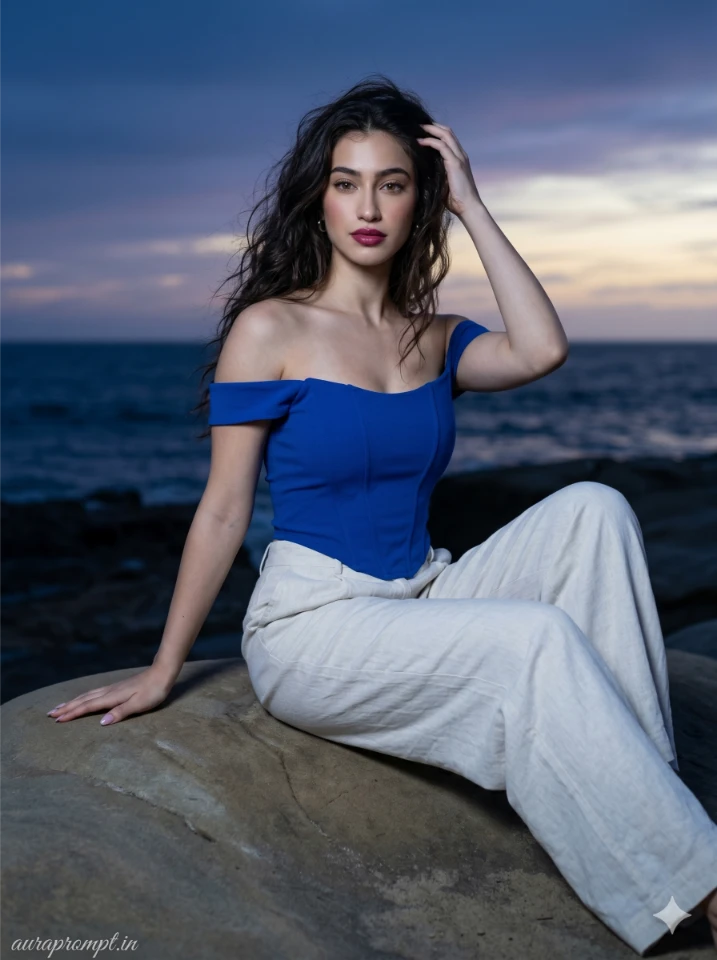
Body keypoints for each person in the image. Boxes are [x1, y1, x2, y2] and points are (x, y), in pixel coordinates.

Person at [46, 76, 717, 955]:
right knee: (533, 639)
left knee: (595, 507)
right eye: (346, 181)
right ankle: (701, 885)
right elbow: (222, 509)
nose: (368, 206)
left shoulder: (431, 335)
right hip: (317, 625)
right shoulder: (269, 328)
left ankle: (640, 794)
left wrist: (473, 205)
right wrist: (165, 668)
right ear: (317, 198)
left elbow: (543, 349)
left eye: (393, 184)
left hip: (425, 592)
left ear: (418, 200)